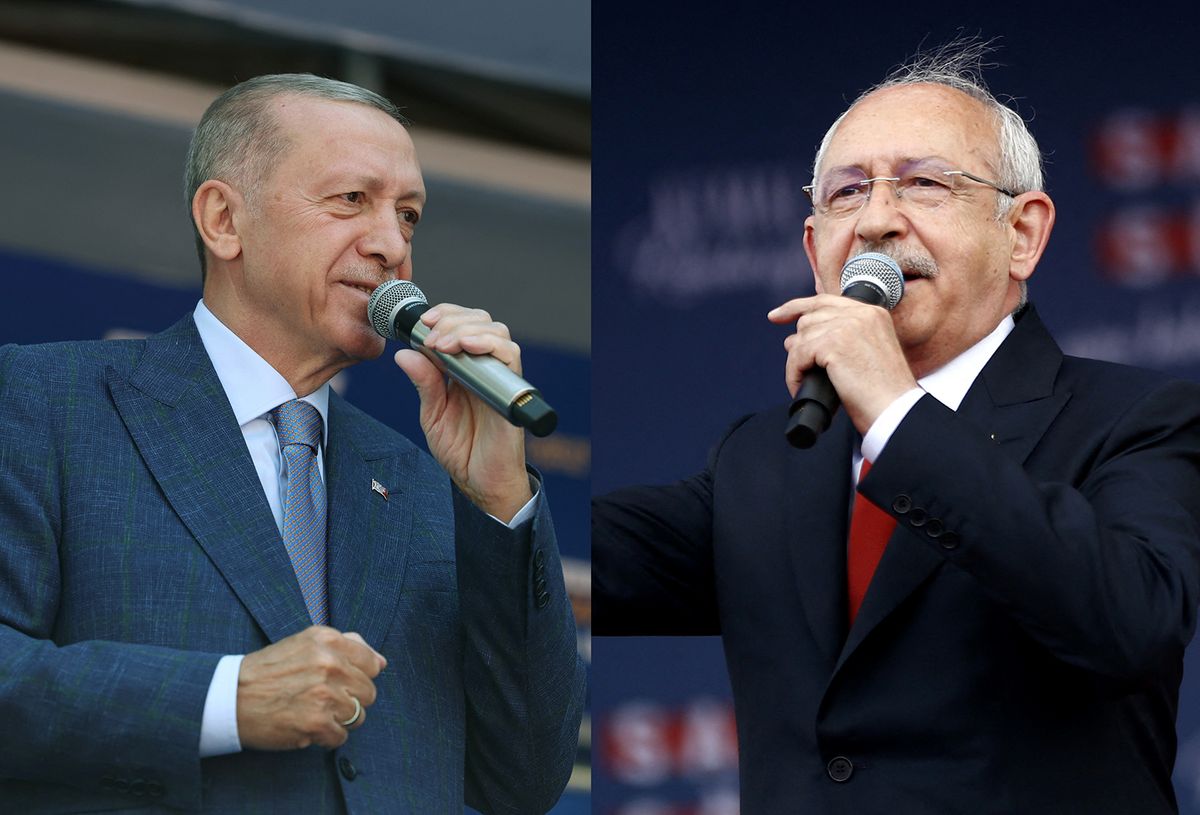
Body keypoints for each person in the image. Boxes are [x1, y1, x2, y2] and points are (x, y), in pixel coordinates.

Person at [593, 41, 1200, 814]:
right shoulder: (764, 455)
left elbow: (1133, 622)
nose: (878, 219)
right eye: (847, 194)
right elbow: (578, 554)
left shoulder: (1134, 419)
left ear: (1023, 234)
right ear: (816, 250)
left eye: (923, 184)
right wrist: (496, 469)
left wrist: (896, 414)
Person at [0, 74, 585, 813]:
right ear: (223, 220)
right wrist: (224, 700)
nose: (390, 245)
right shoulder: (45, 401)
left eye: (408, 215)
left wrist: (499, 496)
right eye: (351, 201)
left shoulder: (426, 481)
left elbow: (525, 777)